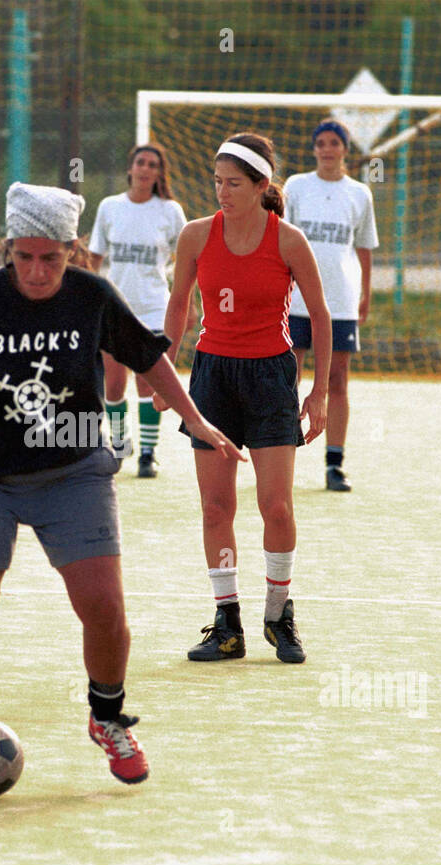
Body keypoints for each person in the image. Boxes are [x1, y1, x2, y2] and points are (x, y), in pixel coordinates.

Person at [0, 181, 244, 789]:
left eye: (51, 258)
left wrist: (193, 419)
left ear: (74, 251)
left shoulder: (92, 297)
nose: (37, 271)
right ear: (7, 248)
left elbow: (147, 356)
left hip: (74, 473)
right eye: (24, 256)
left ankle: (108, 718)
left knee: (105, 610)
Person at [157, 132, 331, 664]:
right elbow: (180, 305)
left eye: (234, 183)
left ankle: (279, 613)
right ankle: (226, 622)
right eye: (216, 181)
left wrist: (319, 392)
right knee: (216, 506)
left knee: (275, 505)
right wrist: (160, 372)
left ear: (261, 186)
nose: (222, 191)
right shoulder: (194, 236)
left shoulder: (288, 241)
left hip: (271, 377)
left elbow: (320, 318)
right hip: (213, 377)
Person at [284, 119, 379, 491]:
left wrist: (365, 294)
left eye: (334, 143)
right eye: (320, 142)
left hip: (339, 301)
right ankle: (282, 455)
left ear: (344, 149)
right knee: (288, 377)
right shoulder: (296, 186)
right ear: (314, 149)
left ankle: (334, 464)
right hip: (295, 300)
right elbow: (280, 238)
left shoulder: (359, 194)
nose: (327, 149)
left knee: (337, 380)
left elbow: (364, 248)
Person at [89, 143, 193, 478]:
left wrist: (190, 302)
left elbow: (189, 260)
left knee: (148, 386)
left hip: (154, 310)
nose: (146, 169)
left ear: (159, 173)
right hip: (116, 311)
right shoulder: (110, 207)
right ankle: (120, 445)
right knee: (114, 386)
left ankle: (148, 454)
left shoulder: (170, 211)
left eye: (153, 165)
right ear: (130, 168)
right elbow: (95, 258)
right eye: (141, 163)